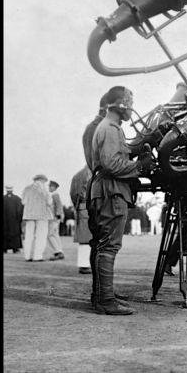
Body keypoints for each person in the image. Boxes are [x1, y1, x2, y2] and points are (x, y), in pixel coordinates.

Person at [90, 86, 152, 315]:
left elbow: (117, 156)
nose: (132, 108)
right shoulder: (110, 129)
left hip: (106, 190)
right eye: (130, 102)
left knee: (103, 245)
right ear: (120, 104)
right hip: (112, 191)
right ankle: (106, 301)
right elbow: (112, 164)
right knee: (109, 246)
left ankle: (101, 296)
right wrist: (140, 166)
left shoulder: (108, 128)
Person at [77, 94, 109, 280]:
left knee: (100, 242)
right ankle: (102, 293)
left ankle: (102, 291)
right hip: (102, 190)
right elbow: (106, 161)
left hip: (97, 189)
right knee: (102, 242)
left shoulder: (94, 127)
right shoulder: (99, 127)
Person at [21, 174, 54, 262]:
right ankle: (37, 256)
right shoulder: (44, 189)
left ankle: (27, 256)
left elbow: (23, 201)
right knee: (41, 236)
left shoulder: (27, 188)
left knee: (28, 236)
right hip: (42, 215)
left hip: (29, 215)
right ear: (43, 180)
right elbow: (49, 202)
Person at [70, 165, 92, 274]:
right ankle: (85, 265)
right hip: (91, 207)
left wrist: (77, 206)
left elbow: (72, 194)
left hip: (81, 208)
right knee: (87, 238)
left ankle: (85, 264)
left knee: (84, 237)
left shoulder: (77, 175)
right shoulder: (93, 173)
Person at [45, 180, 65, 261]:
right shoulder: (54, 194)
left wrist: (57, 216)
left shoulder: (55, 194)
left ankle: (58, 252)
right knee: (55, 235)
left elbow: (58, 206)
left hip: (54, 218)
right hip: (55, 218)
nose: (49, 188)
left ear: (53, 187)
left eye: (50, 186)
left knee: (50, 235)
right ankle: (59, 251)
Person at [3, 185, 24, 253]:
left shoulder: (3, 198)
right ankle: (15, 248)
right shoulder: (17, 199)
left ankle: (4, 248)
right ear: (12, 190)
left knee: (4, 233)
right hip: (14, 221)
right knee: (15, 233)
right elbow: (20, 210)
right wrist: (19, 219)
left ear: (6, 189)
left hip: (5, 221)